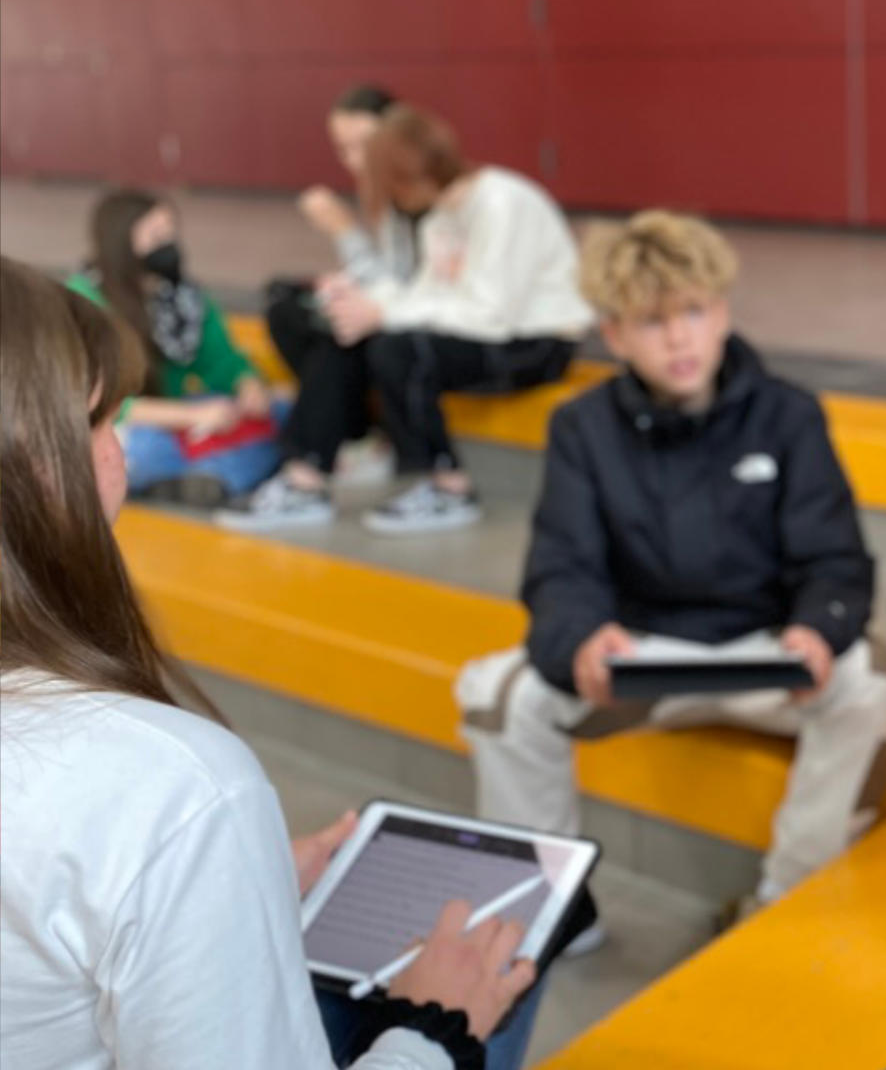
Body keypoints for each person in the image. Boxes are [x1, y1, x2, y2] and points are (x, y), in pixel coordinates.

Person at [0, 255, 540, 1070]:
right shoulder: (168, 785)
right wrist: (438, 1027)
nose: (119, 452)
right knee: (483, 977)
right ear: (41, 470)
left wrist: (227, 888)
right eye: (103, 422)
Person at [455, 211, 886, 939]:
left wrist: (817, 627)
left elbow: (836, 559)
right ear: (613, 335)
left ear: (723, 312)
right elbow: (561, 566)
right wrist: (581, 638)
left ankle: (784, 901)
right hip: (644, 657)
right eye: (650, 322)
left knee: (881, 687)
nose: (678, 338)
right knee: (497, 695)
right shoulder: (582, 427)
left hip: (767, 653)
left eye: (694, 313)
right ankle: (545, 920)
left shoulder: (789, 415)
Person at [219, 103, 593, 536]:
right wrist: (363, 299)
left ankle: (449, 487)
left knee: (396, 348)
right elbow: (426, 295)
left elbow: (490, 314)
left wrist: (382, 312)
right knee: (347, 331)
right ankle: (306, 478)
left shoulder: (502, 202)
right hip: (487, 331)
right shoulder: (443, 213)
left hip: (537, 343)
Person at [65, 189, 283, 506]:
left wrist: (248, 386)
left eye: (171, 232)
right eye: (155, 235)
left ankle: (188, 480)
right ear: (121, 244)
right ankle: (217, 475)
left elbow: (221, 362)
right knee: (135, 447)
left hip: (177, 415)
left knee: (281, 414)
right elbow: (96, 401)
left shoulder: (184, 298)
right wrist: (190, 414)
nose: (168, 243)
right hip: (118, 426)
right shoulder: (85, 302)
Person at [267, 83, 409, 487]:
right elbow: (383, 273)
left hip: (421, 316)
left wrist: (343, 229)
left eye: (364, 145)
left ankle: (306, 468)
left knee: (338, 328)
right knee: (286, 306)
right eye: (343, 149)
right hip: (390, 305)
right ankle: (354, 433)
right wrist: (344, 280)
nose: (355, 160)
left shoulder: (417, 194)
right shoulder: (381, 191)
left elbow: (408, 290)